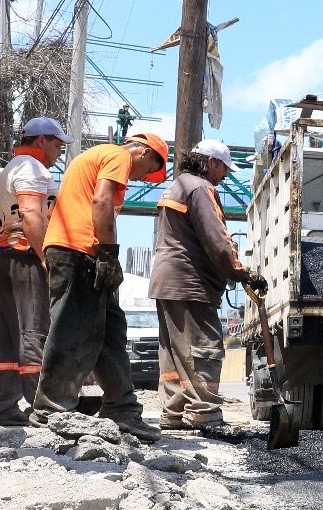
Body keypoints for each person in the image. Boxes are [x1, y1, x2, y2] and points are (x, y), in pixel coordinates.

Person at [30, 131, 169, 442]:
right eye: (147, 170)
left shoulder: (94, 159)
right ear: (144, 153)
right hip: (79, 250)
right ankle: (50, 411)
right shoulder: (118, 155)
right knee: (70, 330)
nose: (141, 176)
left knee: (110, 331)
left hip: (81, 249)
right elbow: (101, 201)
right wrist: (108, 254)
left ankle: (122, 409)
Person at [148, 139, 265, 437]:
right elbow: (218, 240)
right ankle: (204, 414)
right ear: (211, 163)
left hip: (166, 281)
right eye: (223, 168)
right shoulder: (200, 189)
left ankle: (173, 413)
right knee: (204, 349)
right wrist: (243, 273)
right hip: (190, 282)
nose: (224, 175)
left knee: (174, 353)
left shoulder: (177, 185)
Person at [0, 117, 72, 426]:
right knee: (35, 331)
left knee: (6, 337)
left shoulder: (13, 166)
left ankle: (0, 408)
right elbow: (32, 213)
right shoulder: (31, 168)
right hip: (23, 254)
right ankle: (44, 410)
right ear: (41, 140)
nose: (59, 150)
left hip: (2, 254)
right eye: (58, 143)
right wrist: (46, 257)